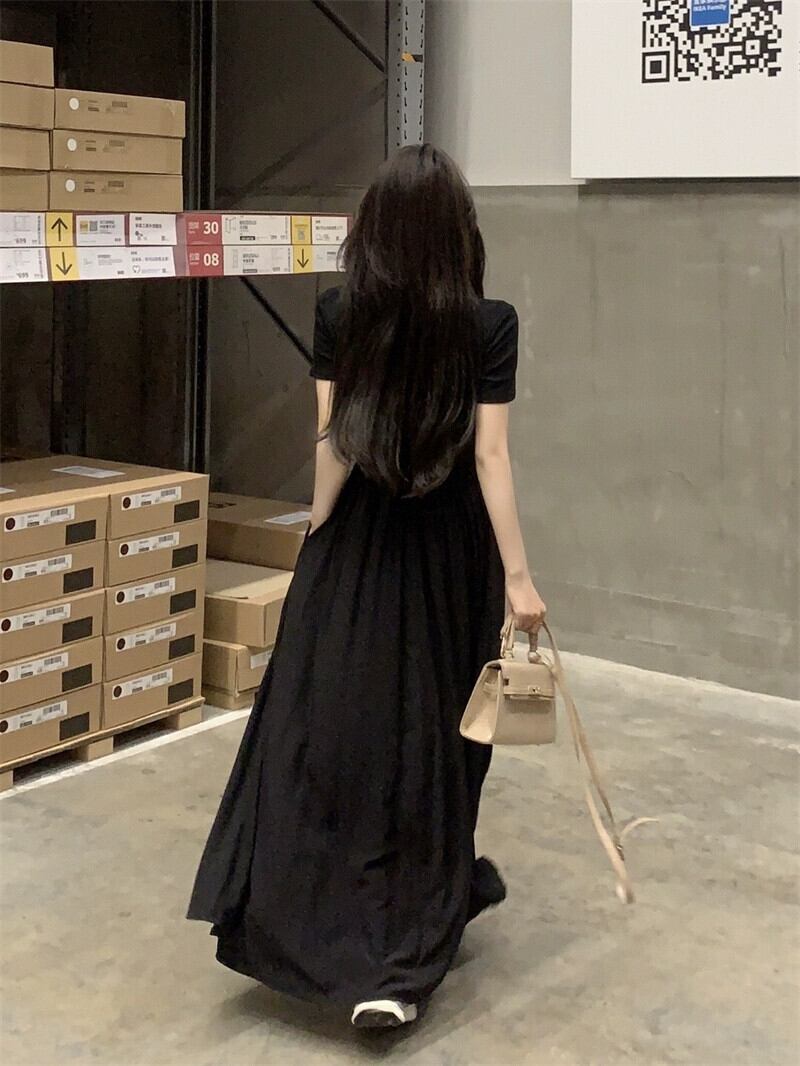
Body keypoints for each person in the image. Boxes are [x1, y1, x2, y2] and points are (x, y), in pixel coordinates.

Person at [188, 144, 547, 1029]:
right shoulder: (488, 324)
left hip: (355, 548)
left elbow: (334, 446)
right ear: (459, 233)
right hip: (450, 557)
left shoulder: (341, 312)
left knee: (332, 733)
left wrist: (317, 536)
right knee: (439, 743)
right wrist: (519, 580)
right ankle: (404, 945)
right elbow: (490, 457)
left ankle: (342, 926)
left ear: (374, 232)